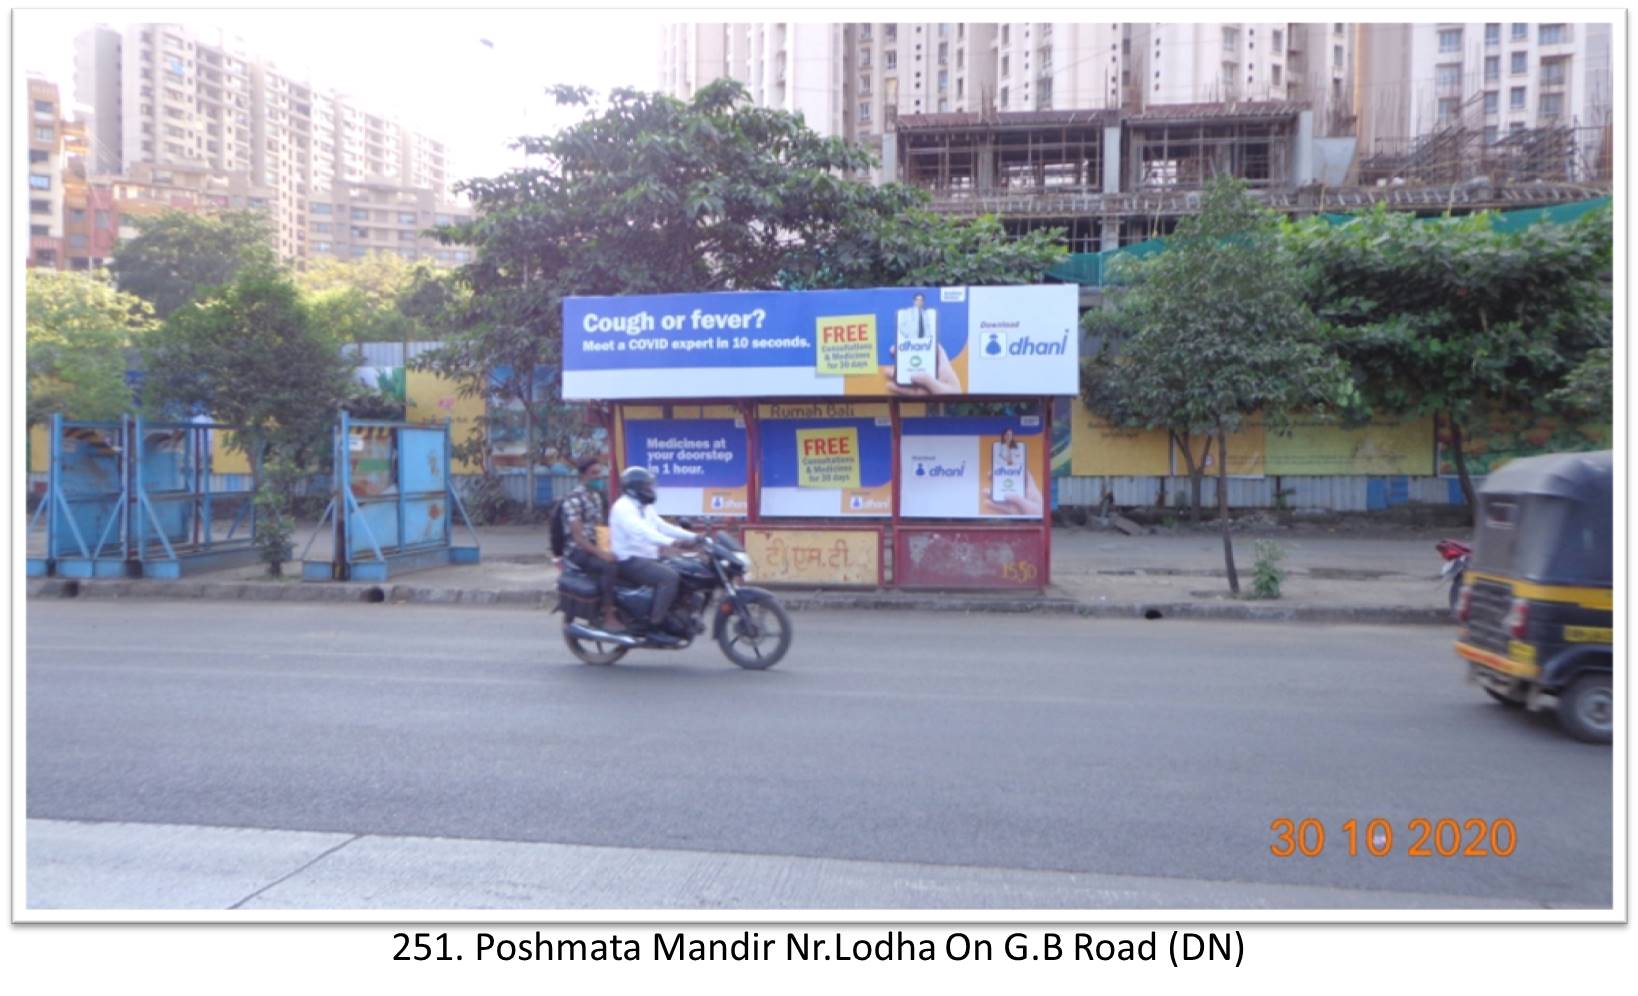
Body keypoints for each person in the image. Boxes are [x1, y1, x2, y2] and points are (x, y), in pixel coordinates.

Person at [608, 466, 698, 637]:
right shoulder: (623, 508)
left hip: (647, 557)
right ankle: (656, 622)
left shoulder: (644, 507)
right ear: (635, 489)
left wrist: (695, 537)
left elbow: (662, 526)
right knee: (669, 578)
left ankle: (677, 614)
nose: (651, 490)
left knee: (686, 569)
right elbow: (642, 531)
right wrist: (672, 543)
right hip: (629, 560)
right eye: (647, 487)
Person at [560, 456, 622, 632]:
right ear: (583, 476)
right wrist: (603, 554)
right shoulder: (572, 500)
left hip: (593, 546)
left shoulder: (595, 496)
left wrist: (612, 548)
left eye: (599, 473)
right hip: (577, 551)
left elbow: (601, 527)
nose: (598, 477)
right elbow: (579, 538)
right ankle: (608, 615)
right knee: (608, 567)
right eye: (593, 473)